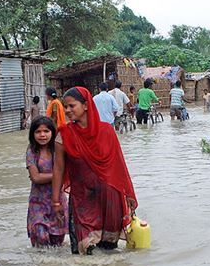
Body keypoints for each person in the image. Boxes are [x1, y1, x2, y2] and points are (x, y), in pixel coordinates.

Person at [51, 86, 137, 255]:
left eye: (71, 106)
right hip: (82, 198)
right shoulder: (64, 135)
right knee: (84, 251)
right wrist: (56, 201)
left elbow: (119, 166)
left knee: (109, 252)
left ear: (85, 105)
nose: (67, 110)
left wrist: (128, 194)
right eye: (65, 106)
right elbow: (58, 169)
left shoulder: (107, 131)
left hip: (109, 197)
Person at [26, 117, 68, 247]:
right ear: (33, 134)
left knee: (57, 244)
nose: (42, 135)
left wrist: (54, 175)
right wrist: (59, 175)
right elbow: (36, 177)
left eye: (46, 131)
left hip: (58, 201)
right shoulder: (32, 151)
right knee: (40, 237)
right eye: (38, 132)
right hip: (38, 202)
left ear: (52, 132)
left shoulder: (59, 149)